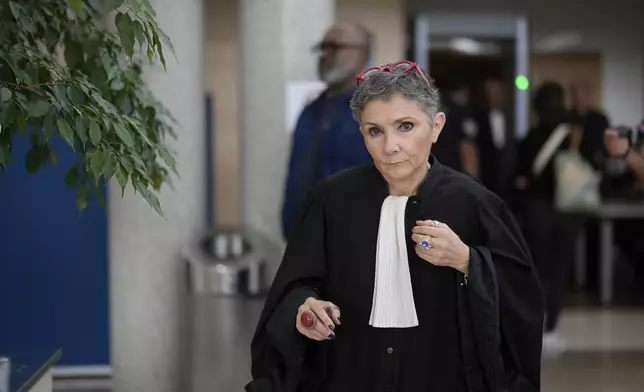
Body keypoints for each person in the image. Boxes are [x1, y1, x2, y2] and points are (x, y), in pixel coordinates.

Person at [247, 61, 544, 392]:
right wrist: (306, 307)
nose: (390, 147)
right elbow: (294, 285)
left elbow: (522, 297)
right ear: (362, 133)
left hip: (443, 375)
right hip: (350, 371)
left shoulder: (475, 203)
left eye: (405, 126)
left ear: (436, 126)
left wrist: (466, 260)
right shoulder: (330, 200)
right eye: (375, 131)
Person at [281, 22, 374, 239]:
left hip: (354, 246)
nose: (324, 54)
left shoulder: (376, 111)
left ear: (361, 53)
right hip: (305, 242)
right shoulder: (310, 111)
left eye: (334, 47)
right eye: (322, 47)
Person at [514, 82, 582, 354]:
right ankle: (552, 327)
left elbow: (521, 174)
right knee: (559, 268)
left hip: (537, 210)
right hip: (567, 210)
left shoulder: (530, 137)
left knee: (536, 268)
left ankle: (533, 323)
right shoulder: (575, 133)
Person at [472, 78, 516, 202]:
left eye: (496, 93)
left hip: (508, 176)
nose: (492, 97)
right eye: (489, 93)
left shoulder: (511, 118)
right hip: (485, 174)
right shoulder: (477, 118)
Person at [433, 77, 479, 177]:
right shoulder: (458, 114)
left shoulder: (433, 115)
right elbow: (467, 150)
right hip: (452, 176)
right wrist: (471, 183)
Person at [569, 80, 610, 170]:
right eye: (576, 94)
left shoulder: (600, 118)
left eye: (583, 94)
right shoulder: (567, 117)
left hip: (595, 164)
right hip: (573, 165)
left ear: (588, 95)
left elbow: (607, 141)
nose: (579, 98)